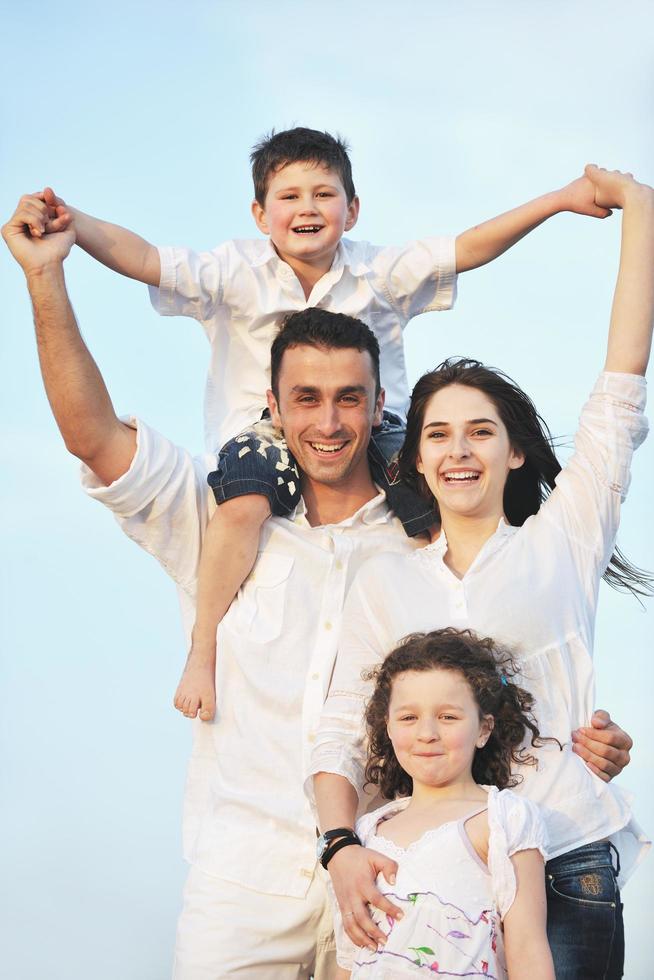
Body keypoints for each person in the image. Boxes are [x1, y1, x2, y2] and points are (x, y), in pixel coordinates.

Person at [2, 194, 633, 978]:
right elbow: (92, 436)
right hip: (245, 883)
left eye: (348, 400)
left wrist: (582, 742)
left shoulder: (423, 541)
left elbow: (509, 645)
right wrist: (43, 280)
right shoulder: (216, 522)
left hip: (402, 877)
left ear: (377, 408)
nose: (328, 422)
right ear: (273, 406)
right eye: (305, 399)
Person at [28, 127, 614, 726]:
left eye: (324, 194)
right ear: (260, 214)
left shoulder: (378, 273)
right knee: (241, 509)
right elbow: (147, 259)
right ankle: (201, 648)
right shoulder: (234, 272)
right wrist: (75, 224)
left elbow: (467, 247)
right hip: (260, 432)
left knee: (432, 523)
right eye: (289, 197)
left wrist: (559, 200)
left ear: (352, 209)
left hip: (378, 426)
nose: (307, 208)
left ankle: (463, 649)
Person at [310, 165, 653, 979]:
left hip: (566, 853)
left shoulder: (562, 539)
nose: (458, 450)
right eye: (437, 435)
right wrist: (338, 849)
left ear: (516, 450)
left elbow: (619, 393)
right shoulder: (382, 575)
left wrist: (640, 211)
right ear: (416, 459)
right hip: (427, 870)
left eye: (479, 432)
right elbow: (342, 725)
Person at [330, 629, 555, 979]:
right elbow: (349, 957)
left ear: (483, 729)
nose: (427, 733)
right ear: (387, 727)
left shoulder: (503, 819)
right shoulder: (366, 832)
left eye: (448, 717)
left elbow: (528, 950)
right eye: (408, 718)